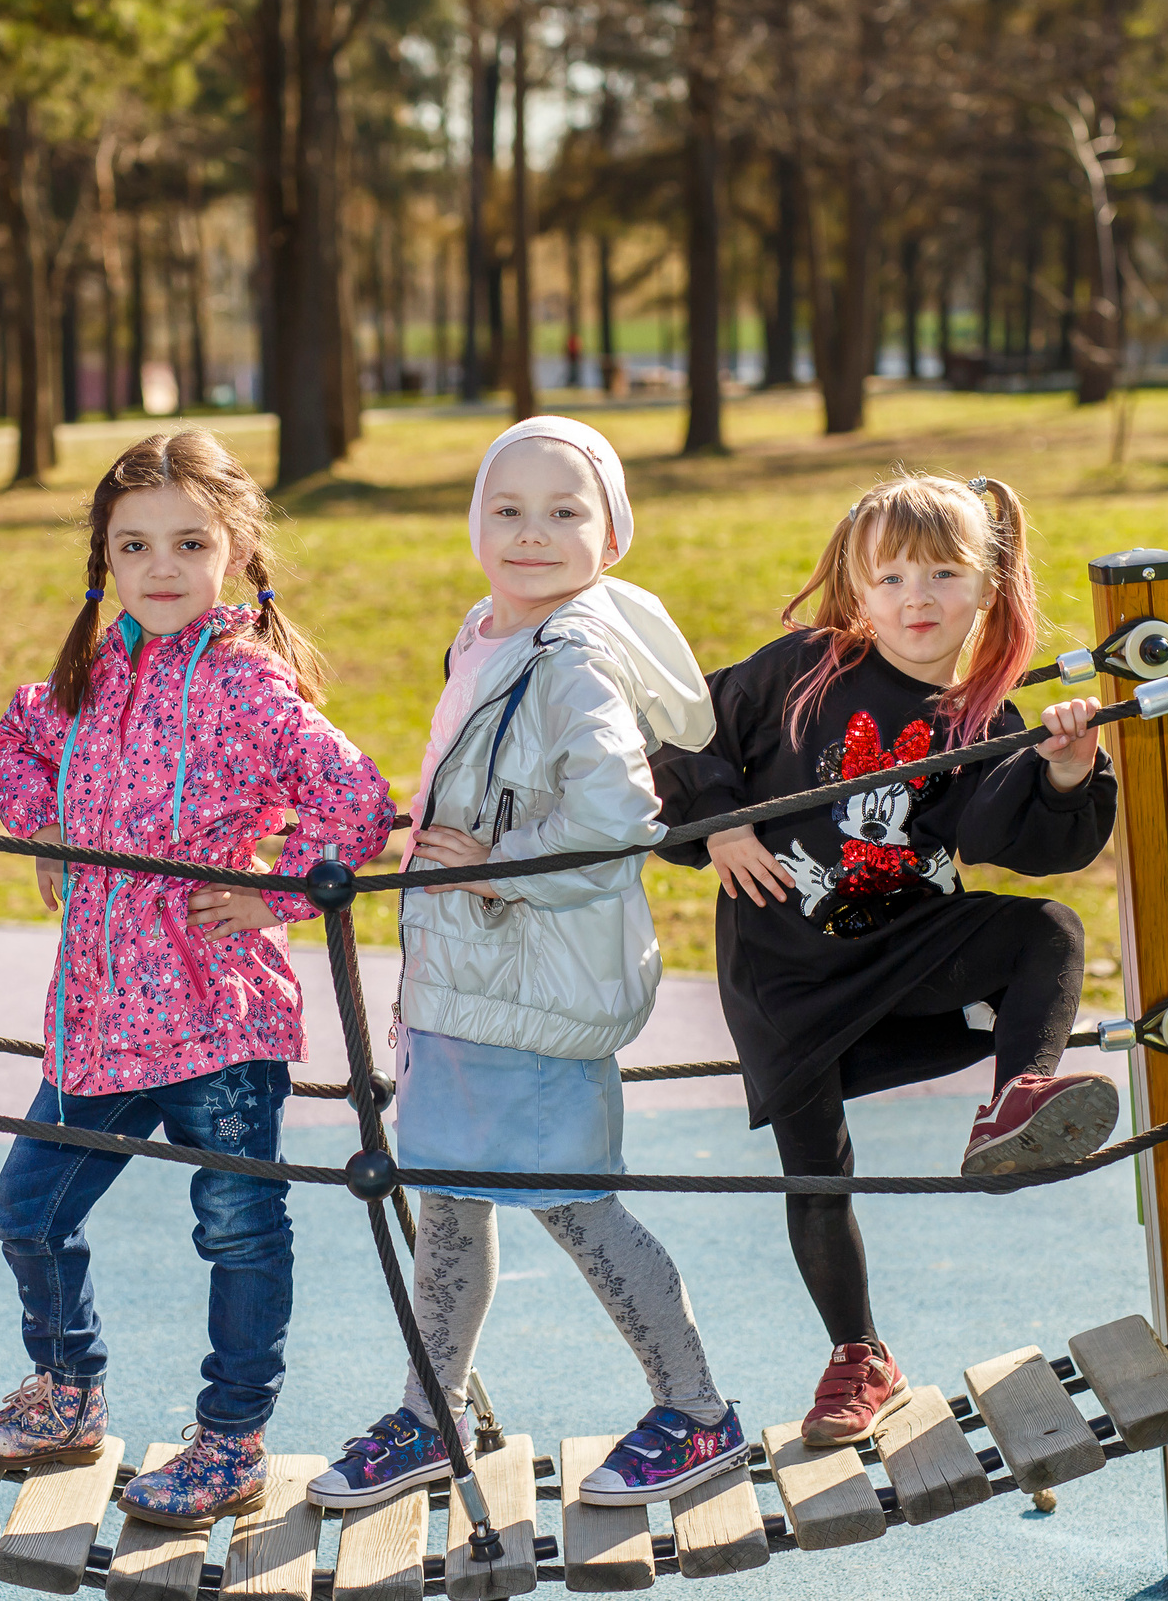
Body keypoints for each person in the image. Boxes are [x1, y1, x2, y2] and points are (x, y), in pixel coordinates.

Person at [0, 431, 397, 1531]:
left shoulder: (252, 686)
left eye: (189, 541)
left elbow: (359, 807)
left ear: (236, 552)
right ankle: (68, 1390)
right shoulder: (90, 672)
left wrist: (274, 893)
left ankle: (231, 1440)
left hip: (216, 1017)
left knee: (238, 1226)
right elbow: (17, 744)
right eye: (134, 542)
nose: (161, 565)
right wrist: (46, 824)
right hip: (97, 1018)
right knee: (26, 1209)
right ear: (103, 556)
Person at [308, 416, 750, 1515]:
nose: (532, 532)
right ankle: (431, 1410)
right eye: (507, 509)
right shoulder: (487, 630)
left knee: (574, 1203)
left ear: (609, 533)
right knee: (451, 1204)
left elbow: (615, 822)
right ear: (474, 522)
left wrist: (498, 868)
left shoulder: (574, 662)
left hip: (529, 986)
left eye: (565, 512)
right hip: (468, 984)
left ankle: (697, 1411)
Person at [651, 472, 1119, 1449]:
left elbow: (1013, 834)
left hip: (903, 944)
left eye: (945, 573)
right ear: (856, 592)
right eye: (892, 574)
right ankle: (858, 1353)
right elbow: (683, 728)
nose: (918, 596)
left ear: (988, 588)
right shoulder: (803, 670)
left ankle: (1017, 1101)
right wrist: (717, 825)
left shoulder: (981, 719)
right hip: (782, 970)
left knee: (1047, 931)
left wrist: (1065, 770)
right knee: (814, 1172)